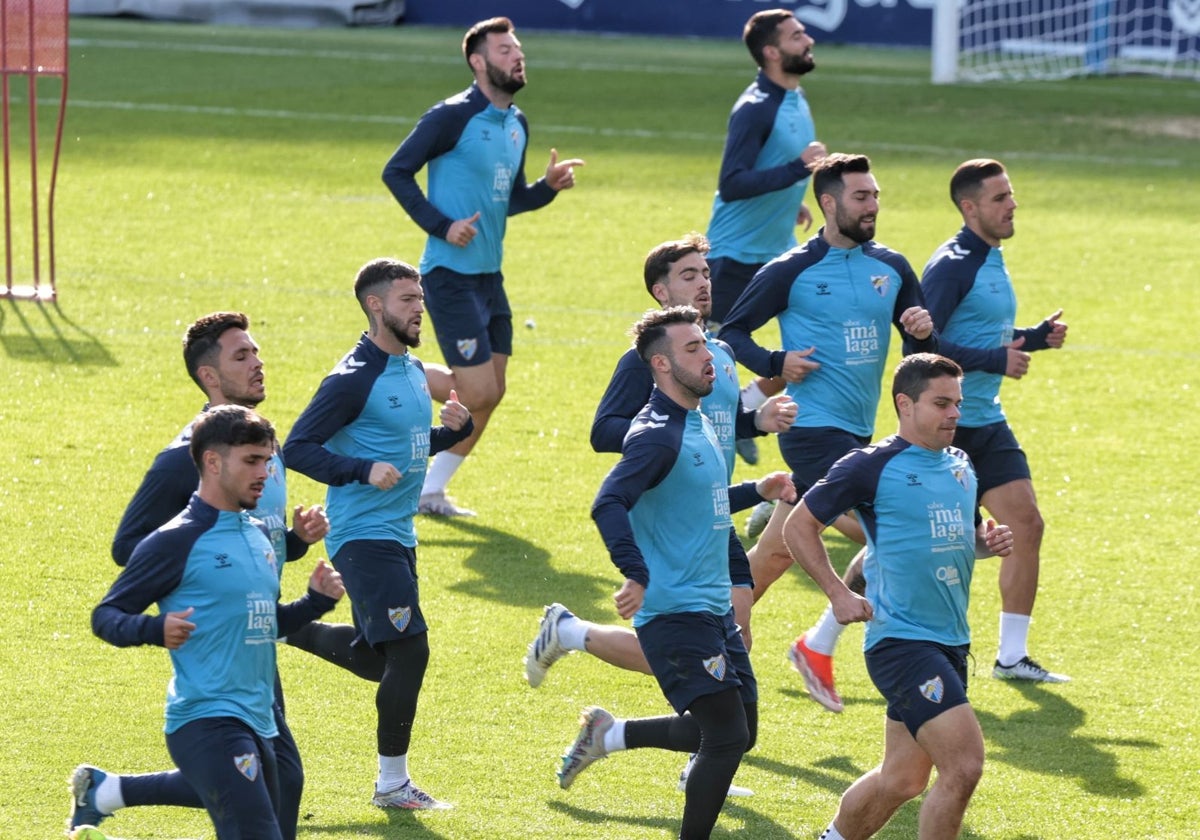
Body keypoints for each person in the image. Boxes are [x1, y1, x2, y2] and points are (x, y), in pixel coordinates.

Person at [525, 235, 795, 796]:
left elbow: (714, 423)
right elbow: (605, 430)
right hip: (679, 521)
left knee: (724, 654)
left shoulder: (714, 354)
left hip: (715, 516)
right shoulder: (646, 360)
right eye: (689, 274)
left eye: (706, 273)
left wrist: (756, 422)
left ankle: (620, 729)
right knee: (702, 654)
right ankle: (575, 636)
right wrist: (661, 448)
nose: (703, 282)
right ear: (661, 289)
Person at [69, 312, 342, 838]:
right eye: (242, 356)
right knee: (259, 792)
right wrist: (180, 586)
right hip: (213, 656)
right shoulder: (181, 463)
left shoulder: (262, 445)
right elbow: (130, 548)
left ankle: (108, 791)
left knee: (272, 780)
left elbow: (256, 544)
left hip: (253, 644)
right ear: (209, 377)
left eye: (256, 351)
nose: (258, 362)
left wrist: (293, 545)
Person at [718, 152, 937, 712]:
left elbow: (921, 359)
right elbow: (732, 332)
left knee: (768, 560)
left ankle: (712, 633)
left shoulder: (892, 268)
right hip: (811, 429)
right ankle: (828, 644)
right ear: (830, 203)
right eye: (862, 197)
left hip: (862, 432)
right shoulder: (791, 269)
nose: (873, 206)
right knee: (891, 535)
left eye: (877, 196)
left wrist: (919, 331)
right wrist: (777, 359)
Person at [783, 354, 1013, 840]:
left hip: (951, 640)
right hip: (902, 641)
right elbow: (799, 525)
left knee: (903, 780)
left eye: (958, 403)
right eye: (942, 403)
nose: (955, 414)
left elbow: (964, 537)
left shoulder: (960, 464)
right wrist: (839, 592)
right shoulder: (870, 465)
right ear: (905, 404)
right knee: (964, 767)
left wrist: (986, 545)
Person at [557, 306, 760, 840]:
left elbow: (702, 497)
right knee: (724, 735)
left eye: (705, 343)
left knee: (742, 729)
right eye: (693, 348)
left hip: (713, 609)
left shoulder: (697, 421)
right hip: (675, 610)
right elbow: (609, 502)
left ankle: (609, 734)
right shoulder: (655, 435)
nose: (708, 355)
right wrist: (635, 573)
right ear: (662, 365)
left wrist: (759, 491)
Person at [283, 258, 473, 810]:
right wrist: (359, 470)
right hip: (363, 534)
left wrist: (448, 434)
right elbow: (298, 447)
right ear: (375, 305)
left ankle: (284, 627)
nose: (420, 308)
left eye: (420, 298)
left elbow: (406, 447)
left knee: (378, 658)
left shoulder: (412, 371)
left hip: (398, 532)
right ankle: (391, 784)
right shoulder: (352, 378)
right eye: (408, 299)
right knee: (410, 650)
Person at [382, 16, 584, 517]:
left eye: (519, 48)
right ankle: (384, 370)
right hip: (449, 275)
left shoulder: (517, 124)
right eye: (506, 50)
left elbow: (507, 200)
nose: (518, 56)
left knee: (491, 394)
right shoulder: (450, 117)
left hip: (490, 279)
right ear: (478, 61)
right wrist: (441, 225)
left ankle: (430, 491)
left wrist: (546, 189)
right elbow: (396, 171)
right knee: (476, 389)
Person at [924, 159, 1069, 682]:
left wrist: (1032, 339)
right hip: (947, 424)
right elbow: (922, 344)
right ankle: (825, 633)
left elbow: (984, 335)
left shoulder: (990, 256)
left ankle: (1011, 657)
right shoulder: (953, 264)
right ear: (970, 208)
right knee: (921, 545)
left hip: (987, 420)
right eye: (1000, 198)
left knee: (1026, 524)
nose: (1012, 205)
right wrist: (996, 361)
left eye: (1011, 194)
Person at [706, 8, 827, 470]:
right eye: (798, 36)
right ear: (773, 52)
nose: (808, 40)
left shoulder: (796, 97)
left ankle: (747, 408)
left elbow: (767, 172)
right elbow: (733, 183)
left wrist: (790, 198)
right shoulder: (756, 107)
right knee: (712, 370)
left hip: (777, 254)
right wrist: (797, 170)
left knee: (810, 352)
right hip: (736, 258)